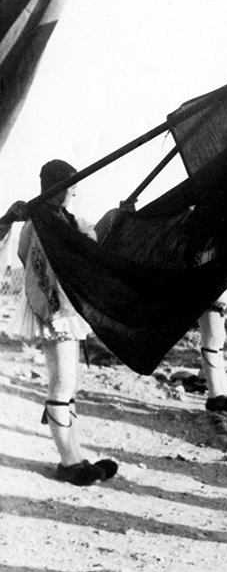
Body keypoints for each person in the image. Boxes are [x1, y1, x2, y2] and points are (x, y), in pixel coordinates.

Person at [5, 160, 118, 486]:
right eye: (71, 188)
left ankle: (77, 455)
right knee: (62, 383)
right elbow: (37, 262)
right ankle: (68, 462)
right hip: (55, 311)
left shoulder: (53, 222)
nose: (75, 193)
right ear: (58, 189)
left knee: (67, 384)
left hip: (63, 309)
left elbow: (32, 255)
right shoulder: (46, 224)